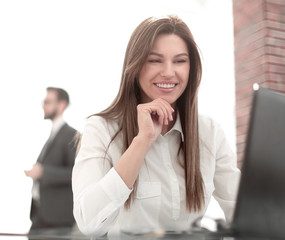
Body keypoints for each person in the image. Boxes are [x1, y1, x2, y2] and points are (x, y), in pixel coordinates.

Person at [72, 15, 241, 237]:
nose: (169, 72)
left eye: (180, 61)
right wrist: (142, 141)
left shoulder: (209, 132)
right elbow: (89, 223)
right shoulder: (101, 129)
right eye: (155, 60)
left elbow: (245, 212)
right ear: (135, 65)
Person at [25, 87, 78, 232]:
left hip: (57, 218)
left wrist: (43, 172)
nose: (43, 105)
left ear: (62, 105)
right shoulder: (53, 134)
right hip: (41, 214)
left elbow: (76, 173)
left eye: (48, 102)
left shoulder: (71, 135)